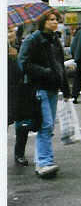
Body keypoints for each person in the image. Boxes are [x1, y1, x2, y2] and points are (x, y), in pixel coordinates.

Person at [18, 10, 72, 178]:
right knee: (46, 125)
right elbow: (23, 63)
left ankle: (42, 161)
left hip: (53, 88)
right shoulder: (33, 40)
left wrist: (66, 90)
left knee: (47, 126)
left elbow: (60, 65)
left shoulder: (55, 40)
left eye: (56, 20)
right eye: (51, 20)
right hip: (38, 87)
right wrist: (45, 72)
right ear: (43, 22)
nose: (55, 22)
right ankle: (44, 162)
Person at [8, 26, 37, 166]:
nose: (8, 34)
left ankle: (19, 154)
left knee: (21, 124)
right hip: (7, 92)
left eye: (9, 30)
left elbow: (25, 68)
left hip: (20, 91)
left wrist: (15, 57)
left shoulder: (21, 47)